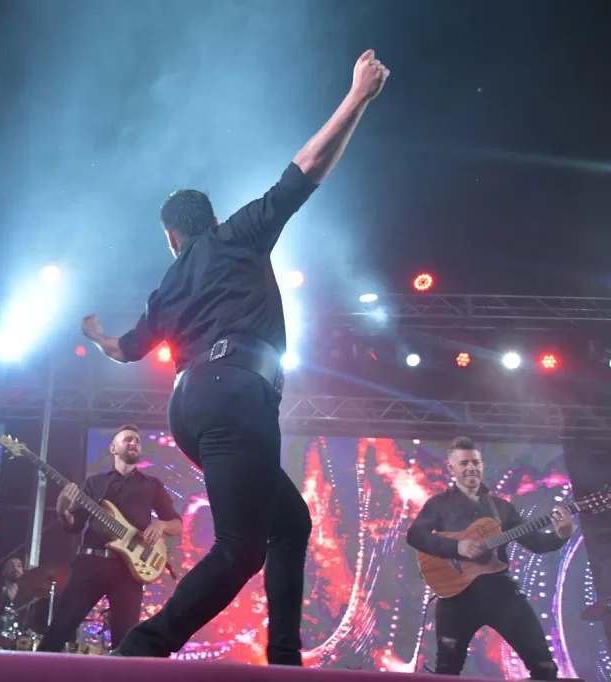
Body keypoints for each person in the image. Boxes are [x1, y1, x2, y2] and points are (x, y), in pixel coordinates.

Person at [79, 51, 390, 664]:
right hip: (234, 394)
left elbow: (125, 350)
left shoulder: (168, 283)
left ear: (171, 237)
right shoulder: (235, 235)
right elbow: (304, 172)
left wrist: (95, 336)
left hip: (191, 409)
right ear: (214, 220)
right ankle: (140, 651)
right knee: (241, 548)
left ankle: (284, 658)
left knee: (289, 524)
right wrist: (357, 97)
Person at [406, 437, 574, 679]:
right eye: (464, 463)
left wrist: (561, 535)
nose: (471, 468)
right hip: (456, 599)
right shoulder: (438, 505)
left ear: (482, 465)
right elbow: (415, 535)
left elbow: (535, 543)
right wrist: (457, 546)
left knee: (545, 667)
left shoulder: (501, 507)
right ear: (451, 468)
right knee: (447, 672)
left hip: (501, 595)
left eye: (475, 462)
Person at [37, 425, 183, 652]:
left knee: (124, 644)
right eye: (128, 439)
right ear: (113, 448)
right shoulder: (95, 483)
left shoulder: (151, 485)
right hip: (90, 565)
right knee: (57, 633)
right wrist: (63, 510)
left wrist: (161, 524)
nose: (133, 443)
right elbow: (73, 526)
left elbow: (177, 525)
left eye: (137, 440)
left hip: (128, 571)